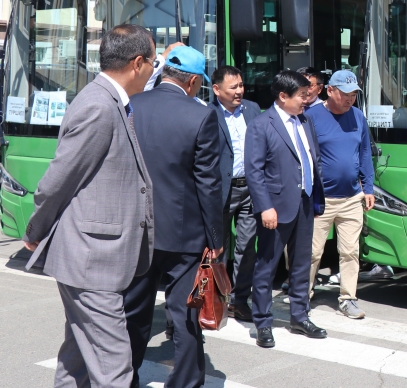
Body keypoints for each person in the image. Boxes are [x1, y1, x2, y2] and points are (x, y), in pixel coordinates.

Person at [22, 24, 157, 388]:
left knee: (78, 359)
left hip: (96, 256)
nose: (154, 72)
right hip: (91, 258)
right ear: (138, 62)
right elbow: (59, 180)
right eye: (153, 63)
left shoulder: (109, 101)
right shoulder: (99, 105)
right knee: (113, 368)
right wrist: (35, 230)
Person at [123, 46, 224, 388]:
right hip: (185, 235)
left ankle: (124, 376)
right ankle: (183, 382)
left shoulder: (133, 104)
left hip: (136, 229)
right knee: (185, 314)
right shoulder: (201, 115)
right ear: (194, 81)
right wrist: (216, 238)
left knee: (133, 312)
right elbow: (208, 183)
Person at [245, 70, 327, 348]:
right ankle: (263, 322)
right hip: (275, 208)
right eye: (302, 95)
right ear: (283, 96)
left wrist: (315, 196)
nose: (307, 100)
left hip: (304, 202)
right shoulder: (261, 125)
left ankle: (299, 316)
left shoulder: (304, 120)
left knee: (302, 263)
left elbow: (311, 160)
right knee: (267, 265)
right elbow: (254, 171)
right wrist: (265, 207)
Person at [304, 70, 374, 318]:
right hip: (320, 199)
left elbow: (365, 153)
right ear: (329, 91)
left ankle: (348, 298)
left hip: (352, 198)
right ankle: (303, 297)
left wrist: (368, 187)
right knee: (312, 253)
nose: (350, 99)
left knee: (350, 252)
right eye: (345, 94)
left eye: (354, 94)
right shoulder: (311, 116)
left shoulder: (357, 116)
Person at [209, 65, 262, 321]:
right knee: (218, 249)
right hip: (221, 191)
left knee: (247, 247)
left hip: (249, 190)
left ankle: (241, 300)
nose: (239, 91)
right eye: (234, 87)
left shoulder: (252, 110)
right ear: (217, 89)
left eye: (241, 85)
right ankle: (217, 300)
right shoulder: (207, 113)